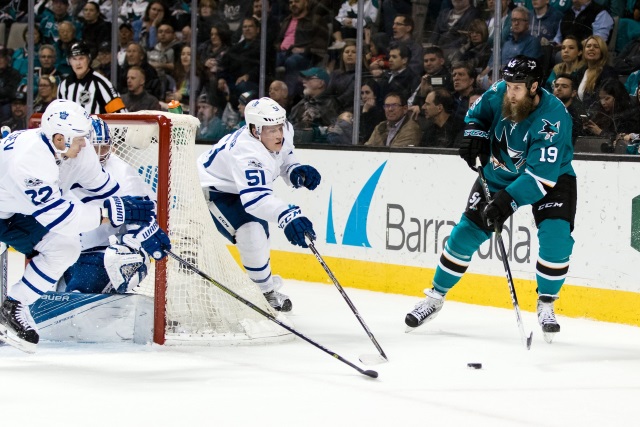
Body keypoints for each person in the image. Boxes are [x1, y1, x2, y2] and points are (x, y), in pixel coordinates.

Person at [405, 56, 576, 344]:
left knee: (557, 236)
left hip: (551, 178)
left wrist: (505, 202)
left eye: (518, 87)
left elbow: (540, 178)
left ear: (535, 86)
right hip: (497, 172)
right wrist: (473, 135)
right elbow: (477, 115)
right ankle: (434, 297)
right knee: (464, 235)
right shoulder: (499, 92)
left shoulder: (555, 117)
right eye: (509, 84)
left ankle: (546, 302)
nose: (510, 92)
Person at [0, 99, 164, 352]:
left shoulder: (78, 148)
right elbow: (60, 219)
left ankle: (14, 305)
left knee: (65, 247)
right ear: (58, 138)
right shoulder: (29, 160)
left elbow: (106, 190)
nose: (85, 144)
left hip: (16, 209)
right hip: (12, 206)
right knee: (64, 234)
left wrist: (144, 222)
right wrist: (109, 213)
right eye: (79, 138)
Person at [197, 97, 320, 312]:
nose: (279, 134)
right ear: (255, 130)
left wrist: (295, 172)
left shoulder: (284, 130)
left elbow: (284, 158)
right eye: (271, 130)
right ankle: (264, 293)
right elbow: (256, 201)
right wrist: (288, 215)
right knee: (251, 233)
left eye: (280, 127)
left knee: (259, 238)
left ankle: (264, 290)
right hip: (216, 191)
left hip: (240, 189)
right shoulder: (247, 152)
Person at [62, 116, 168, 294]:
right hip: (68, 249)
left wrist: (137, 235)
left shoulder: (122, 172)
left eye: (103, 147)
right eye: (93, 147)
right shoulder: (65, 165)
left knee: (78, 291)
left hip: (103, 251)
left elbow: (143, 215)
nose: (98, 154)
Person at [477, 7, 542, 89]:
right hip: (494, 79)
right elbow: (489, 66)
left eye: (520, 20)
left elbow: (526, 69)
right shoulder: (505, 42)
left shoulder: (532, 42)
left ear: (527, 23)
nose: (516, 23)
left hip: (515, 83)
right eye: (514, 20)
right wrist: (480, 76)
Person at [58, 41, 127, 114]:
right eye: (74, 59)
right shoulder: (64, 85)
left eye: (81, 58)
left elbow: (120, 113)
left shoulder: (101, 83)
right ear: (69, 61)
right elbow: (60, 115)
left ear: (88, 59)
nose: (78, 63)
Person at [288, 67, 340, 143]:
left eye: (309, 78)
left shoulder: (331, 104)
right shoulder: (300, 104)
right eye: (304, 78)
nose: (304, 81)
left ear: (321, 83)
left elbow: (333, 130)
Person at [408, 47, 454, 120]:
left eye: (432, 60)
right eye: (426, 61)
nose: (428, 63)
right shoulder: (421, 77)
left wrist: (419, 106)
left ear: (441, 61)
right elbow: (415, 103)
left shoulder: (448, 79)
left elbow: (442, 105)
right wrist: (422, 93)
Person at [574, 35, 617, 110]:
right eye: (588, 46)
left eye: (596, 47)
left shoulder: (608, 72)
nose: (591, 49)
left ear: (602, 51)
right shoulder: (581, 72)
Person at [552, 73, 587, 144]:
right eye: (556, 86)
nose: (558, 89)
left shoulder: (575, 116)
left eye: (564, 86)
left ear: (573, 93)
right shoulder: (546, 112)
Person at [359, 79, 385, 144]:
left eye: (367, 93)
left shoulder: (381, 112)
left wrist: (365, 112)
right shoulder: (359, 109)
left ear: (375, 95)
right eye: (362, 93)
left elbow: (366, 134)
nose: (364, 96)